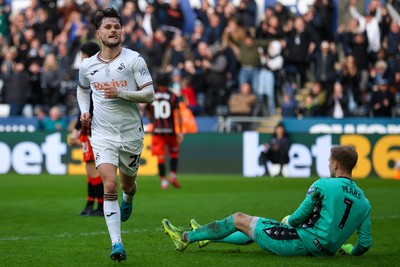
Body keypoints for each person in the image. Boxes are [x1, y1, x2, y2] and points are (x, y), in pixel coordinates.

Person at [162, 145, 372, 257]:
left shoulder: (324, 185)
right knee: (256, 227)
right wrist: (349, 251)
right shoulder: (364, 202)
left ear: (335, 164)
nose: (328, 164)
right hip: (326, 250)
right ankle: (207, 236)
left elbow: (298, 219)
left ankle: (185, 237)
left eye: (329, 161)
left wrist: (288, 221)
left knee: (239, 219)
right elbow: (364, 243)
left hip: (300, 243)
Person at [76, 7, 155, 262]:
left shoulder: (134, 60)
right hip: (102, 133)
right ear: (98, 33)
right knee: (108, 184)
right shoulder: (87, 65)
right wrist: (83, 111)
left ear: (122, 31)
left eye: (117, 26)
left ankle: (129, 197)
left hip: (131, 134)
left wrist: (121, 93)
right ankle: (117, 243)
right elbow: (82, 90)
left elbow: (149, 94)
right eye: (108, 27)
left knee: (126, 184)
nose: (113, 30)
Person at [69, 41, 103, 217]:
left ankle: (102, 205)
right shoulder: (96, 72)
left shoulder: (91, 73)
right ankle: (91, 204)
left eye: (82, 55)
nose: (81, 58)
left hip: (91, 127)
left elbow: (87, 105)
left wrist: (75, 130)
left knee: (93, 167)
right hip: (89, 127)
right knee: (90, 168)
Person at [146, 73, 183, 190]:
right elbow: (178, 115)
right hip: (170, 132)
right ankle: (172, 175)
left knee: (160, 157)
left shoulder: (152, 95)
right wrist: (180, 131)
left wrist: (154, 122)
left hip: (157, 132)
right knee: (174, 154)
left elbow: (149, 114)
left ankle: (163, 182)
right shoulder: (172, 96)